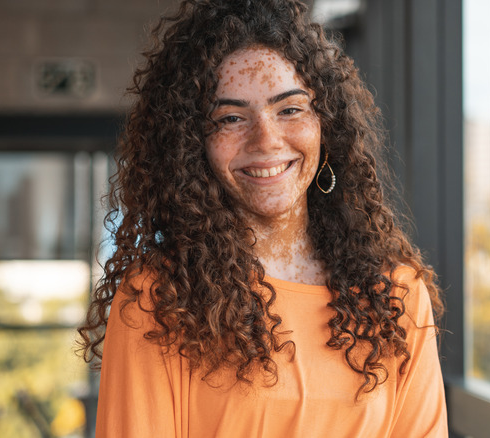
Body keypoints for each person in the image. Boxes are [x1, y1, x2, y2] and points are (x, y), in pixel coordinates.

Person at [78, 0, 448, 436]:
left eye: (290, 109)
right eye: (232, 117)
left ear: (325, 124)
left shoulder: (396, 296)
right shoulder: (157, 299)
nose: (267, 140)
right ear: (193, 146)